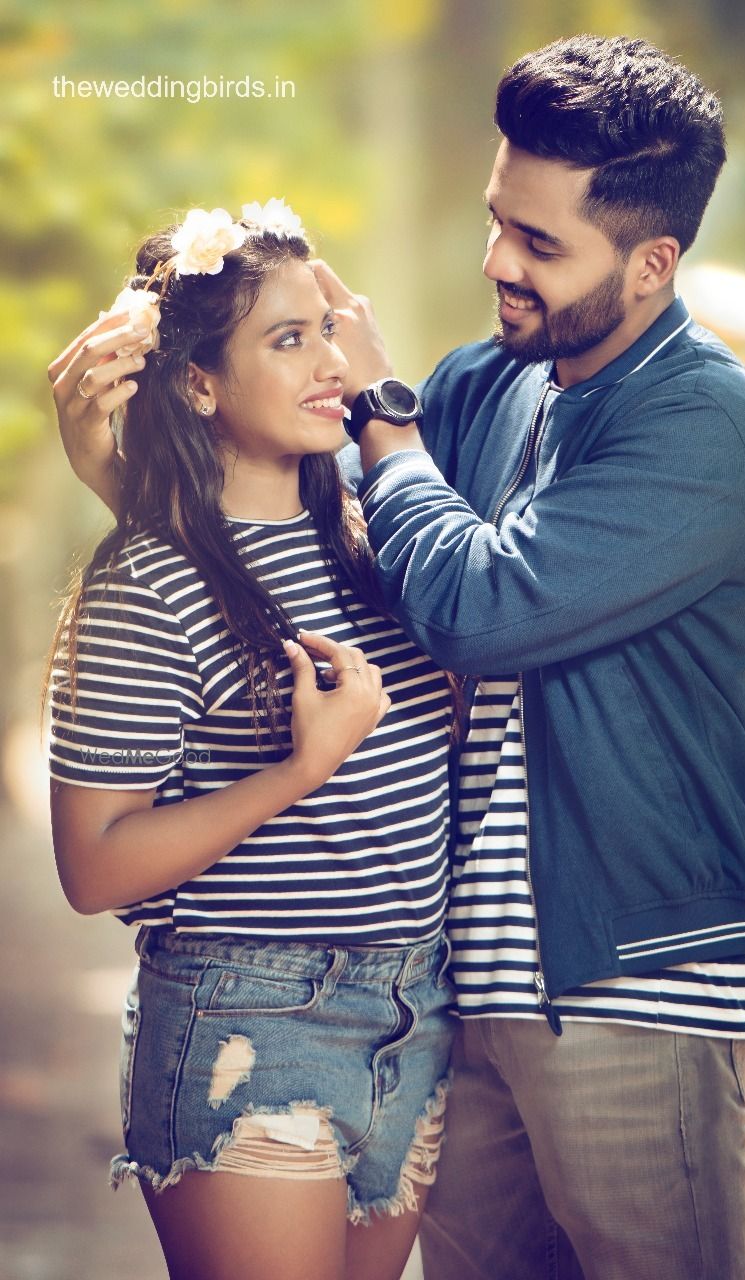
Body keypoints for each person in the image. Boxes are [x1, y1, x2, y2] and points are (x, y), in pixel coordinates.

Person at [52, 33, 745, 1280]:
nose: (497, 262)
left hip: (625, 987)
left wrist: (389, 415)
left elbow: (473, 603)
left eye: (541, 244)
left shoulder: (702, 425)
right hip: (450, 997)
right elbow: (268, 502)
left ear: (653, 261)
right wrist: (122, 477)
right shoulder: (489, 385)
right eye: (499, 218)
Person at [46, 201, 456, 1280]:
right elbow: (92, 864)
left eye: (328, 327)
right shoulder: (148, 576)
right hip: (251, 1020)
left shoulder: (380, 532)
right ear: (197, 382)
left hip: (416, 1009)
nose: (332, 361)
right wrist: (300, 769)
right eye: (288, 338)